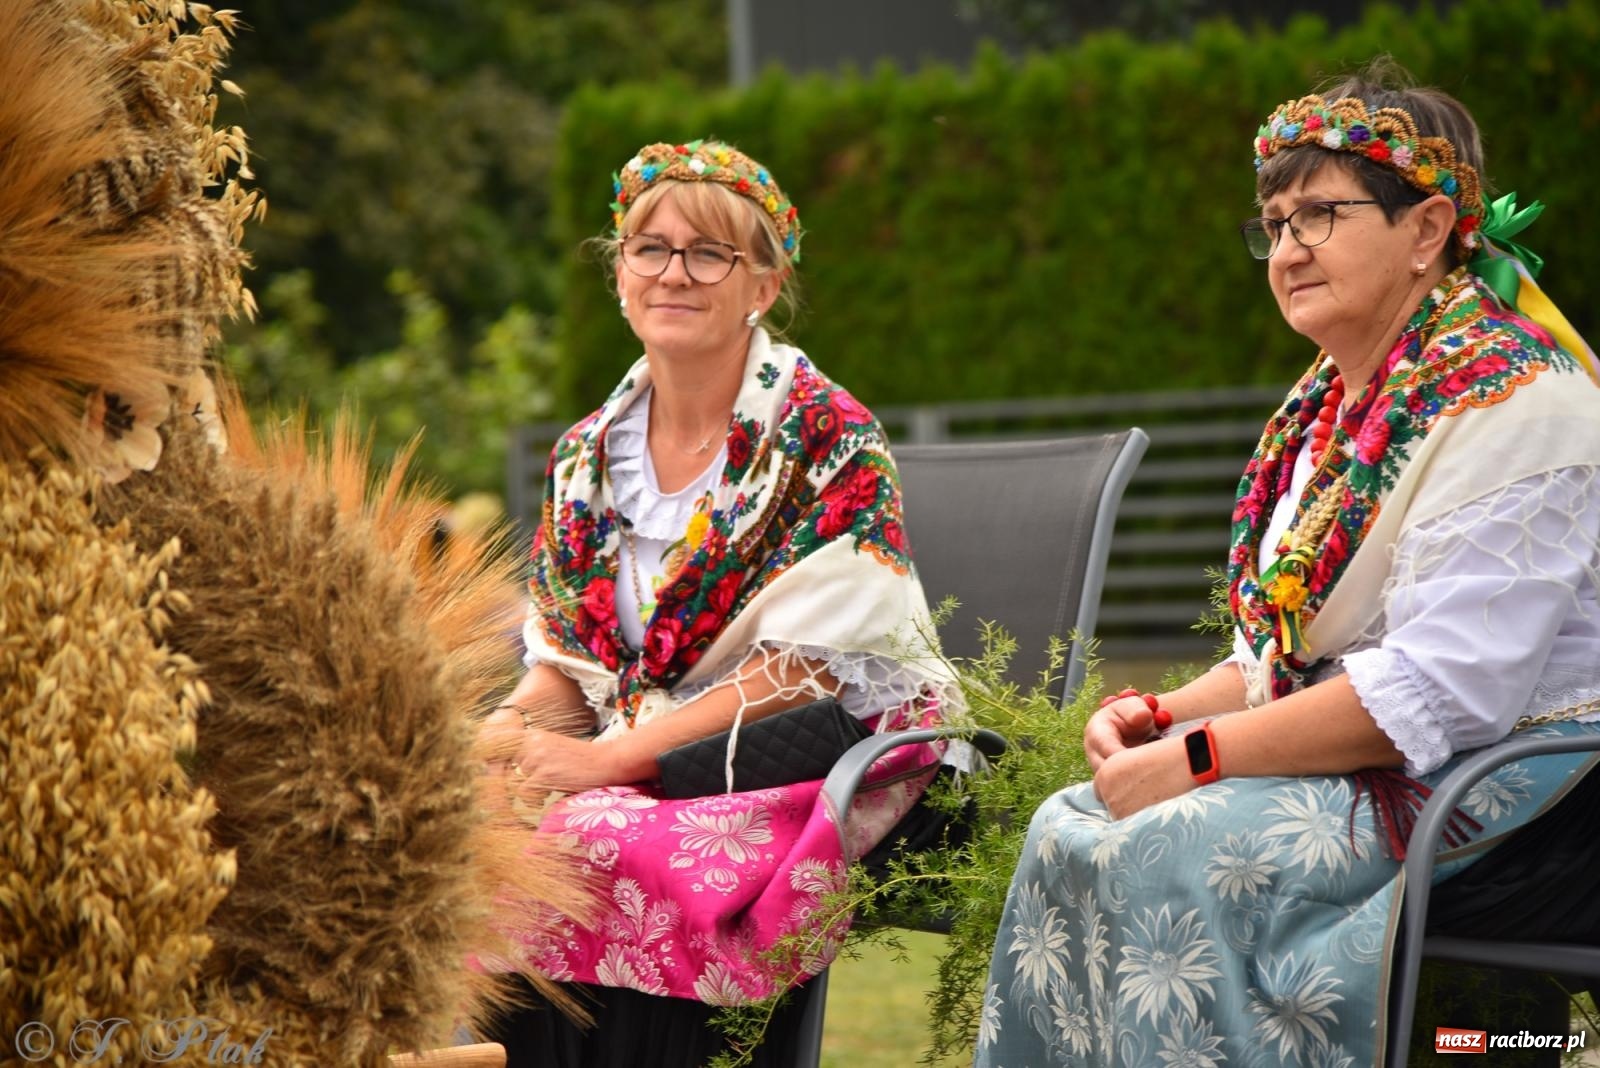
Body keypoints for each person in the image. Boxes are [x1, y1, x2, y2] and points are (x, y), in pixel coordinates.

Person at [975, 62, 1600, 1067]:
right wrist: (1162, 715)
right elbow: (1283, 659)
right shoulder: (1326, 412)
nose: (1285, 249)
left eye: (1317, 215)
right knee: (1065, 822)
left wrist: (1197, 758)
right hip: (1385, 761)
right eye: (1272, 225)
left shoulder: (1523, 401)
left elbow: (1440, 693)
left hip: (1522, 793)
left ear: (1429, 230)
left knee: (1172, 843)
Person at [479, 139, 956, 1067]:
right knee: (483, 823)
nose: (674, 273)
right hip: (648, 760)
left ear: (763, 287)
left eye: (709, 254)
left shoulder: (830, 435)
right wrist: (495, 735)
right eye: (648, 249)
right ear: (619, 275)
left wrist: (610, 762)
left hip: (810, 751)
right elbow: (574, 675)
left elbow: (806, 672)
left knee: (593, 834)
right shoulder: (585, 459)